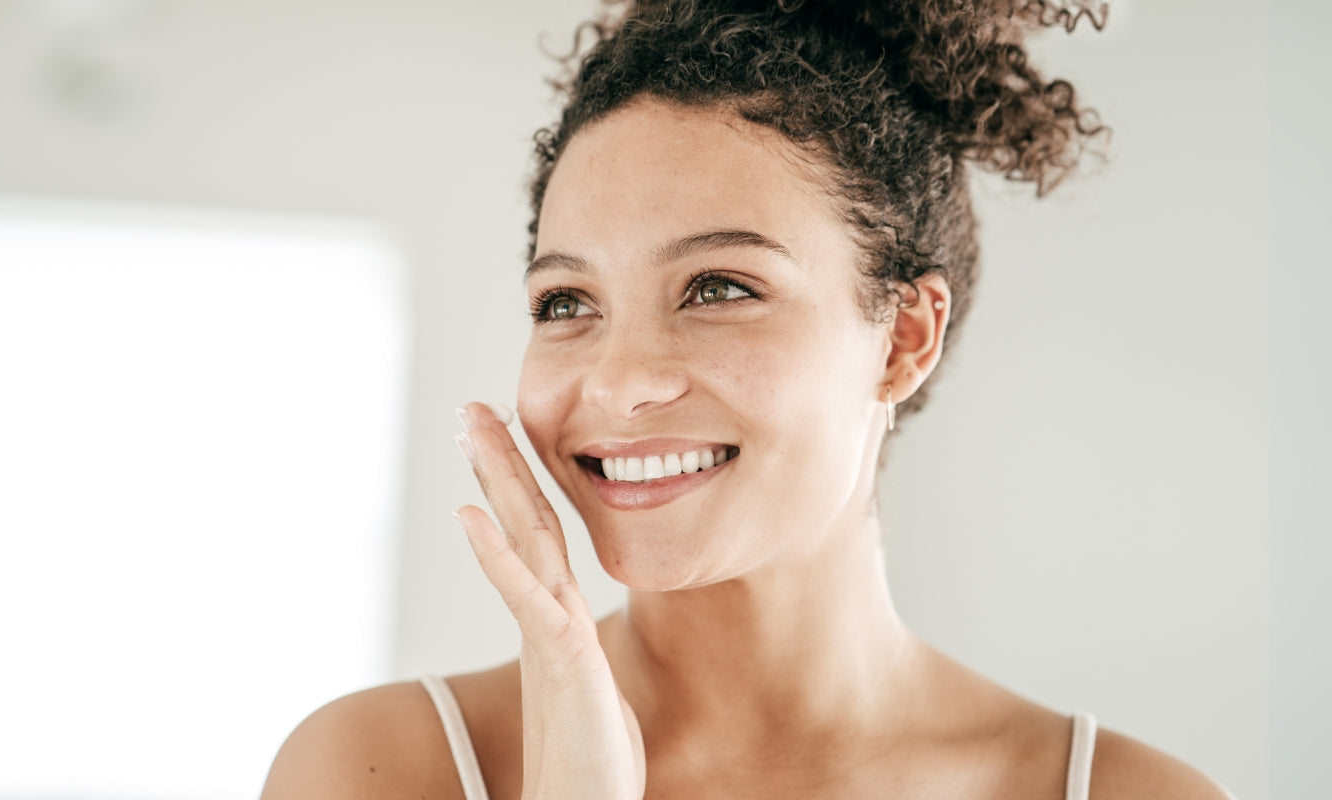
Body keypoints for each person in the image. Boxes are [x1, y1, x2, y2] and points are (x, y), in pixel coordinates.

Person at [262, 1, 1236, 797]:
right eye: (566, 302)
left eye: (718, 287)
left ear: (902, 337)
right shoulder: (381, 767)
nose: (617, 380)